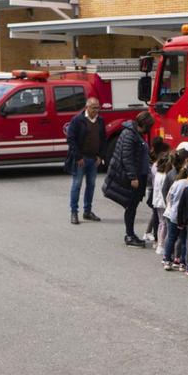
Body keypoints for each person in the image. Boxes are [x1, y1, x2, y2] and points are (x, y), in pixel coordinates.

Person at [103, 111, 154, 247]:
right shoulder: (130, 135)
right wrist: (133, 177)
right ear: (144, 125)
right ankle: (130, 235)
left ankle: (130, 234)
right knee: (131, 206)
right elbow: (127, 158)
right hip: (134, 177)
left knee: (132, 206)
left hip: (139, 175)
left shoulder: (135, 133)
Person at [66, 97, 107, 225]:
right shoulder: (77, 120)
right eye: (94, 108)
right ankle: (74, 212)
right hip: (81, 159)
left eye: (98, 108)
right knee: (76, 185)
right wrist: (78, 157)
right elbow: (71, 139)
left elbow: (103, 139)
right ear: (87, 107)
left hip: (93, 159)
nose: (96, 110)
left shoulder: (100, 120)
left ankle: (87, 211)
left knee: (91, 186)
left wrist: (100, 156)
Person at [162, 161, 188, 271]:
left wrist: (171, 206)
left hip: (174, 214)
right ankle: (182, 262)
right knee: (184, 239)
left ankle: (167, 260)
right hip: (186, 217)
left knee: (171, 237)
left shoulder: (178, 182)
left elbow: (169, 197)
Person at [152, 153, 171, 258]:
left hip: (157, 201)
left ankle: (160, 243)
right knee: (164, 224)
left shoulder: (158, 174)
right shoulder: (165, 176)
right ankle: (161, 245)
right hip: (163, 202)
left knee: (160, 223)